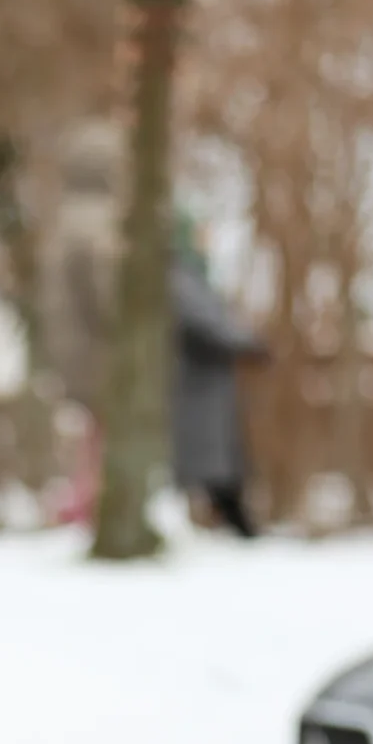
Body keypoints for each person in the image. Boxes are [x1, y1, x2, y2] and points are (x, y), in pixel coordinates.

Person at [171, 219, 266, 537]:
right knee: (208, 465)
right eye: (201, 234)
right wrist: (246, 344)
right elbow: (204, 325)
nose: (206, 241)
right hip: (193, 391)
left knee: (221, 464)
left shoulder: (197, 275)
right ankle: (235, 527)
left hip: (210, 390)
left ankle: (234, 526)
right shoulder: (179, 276)